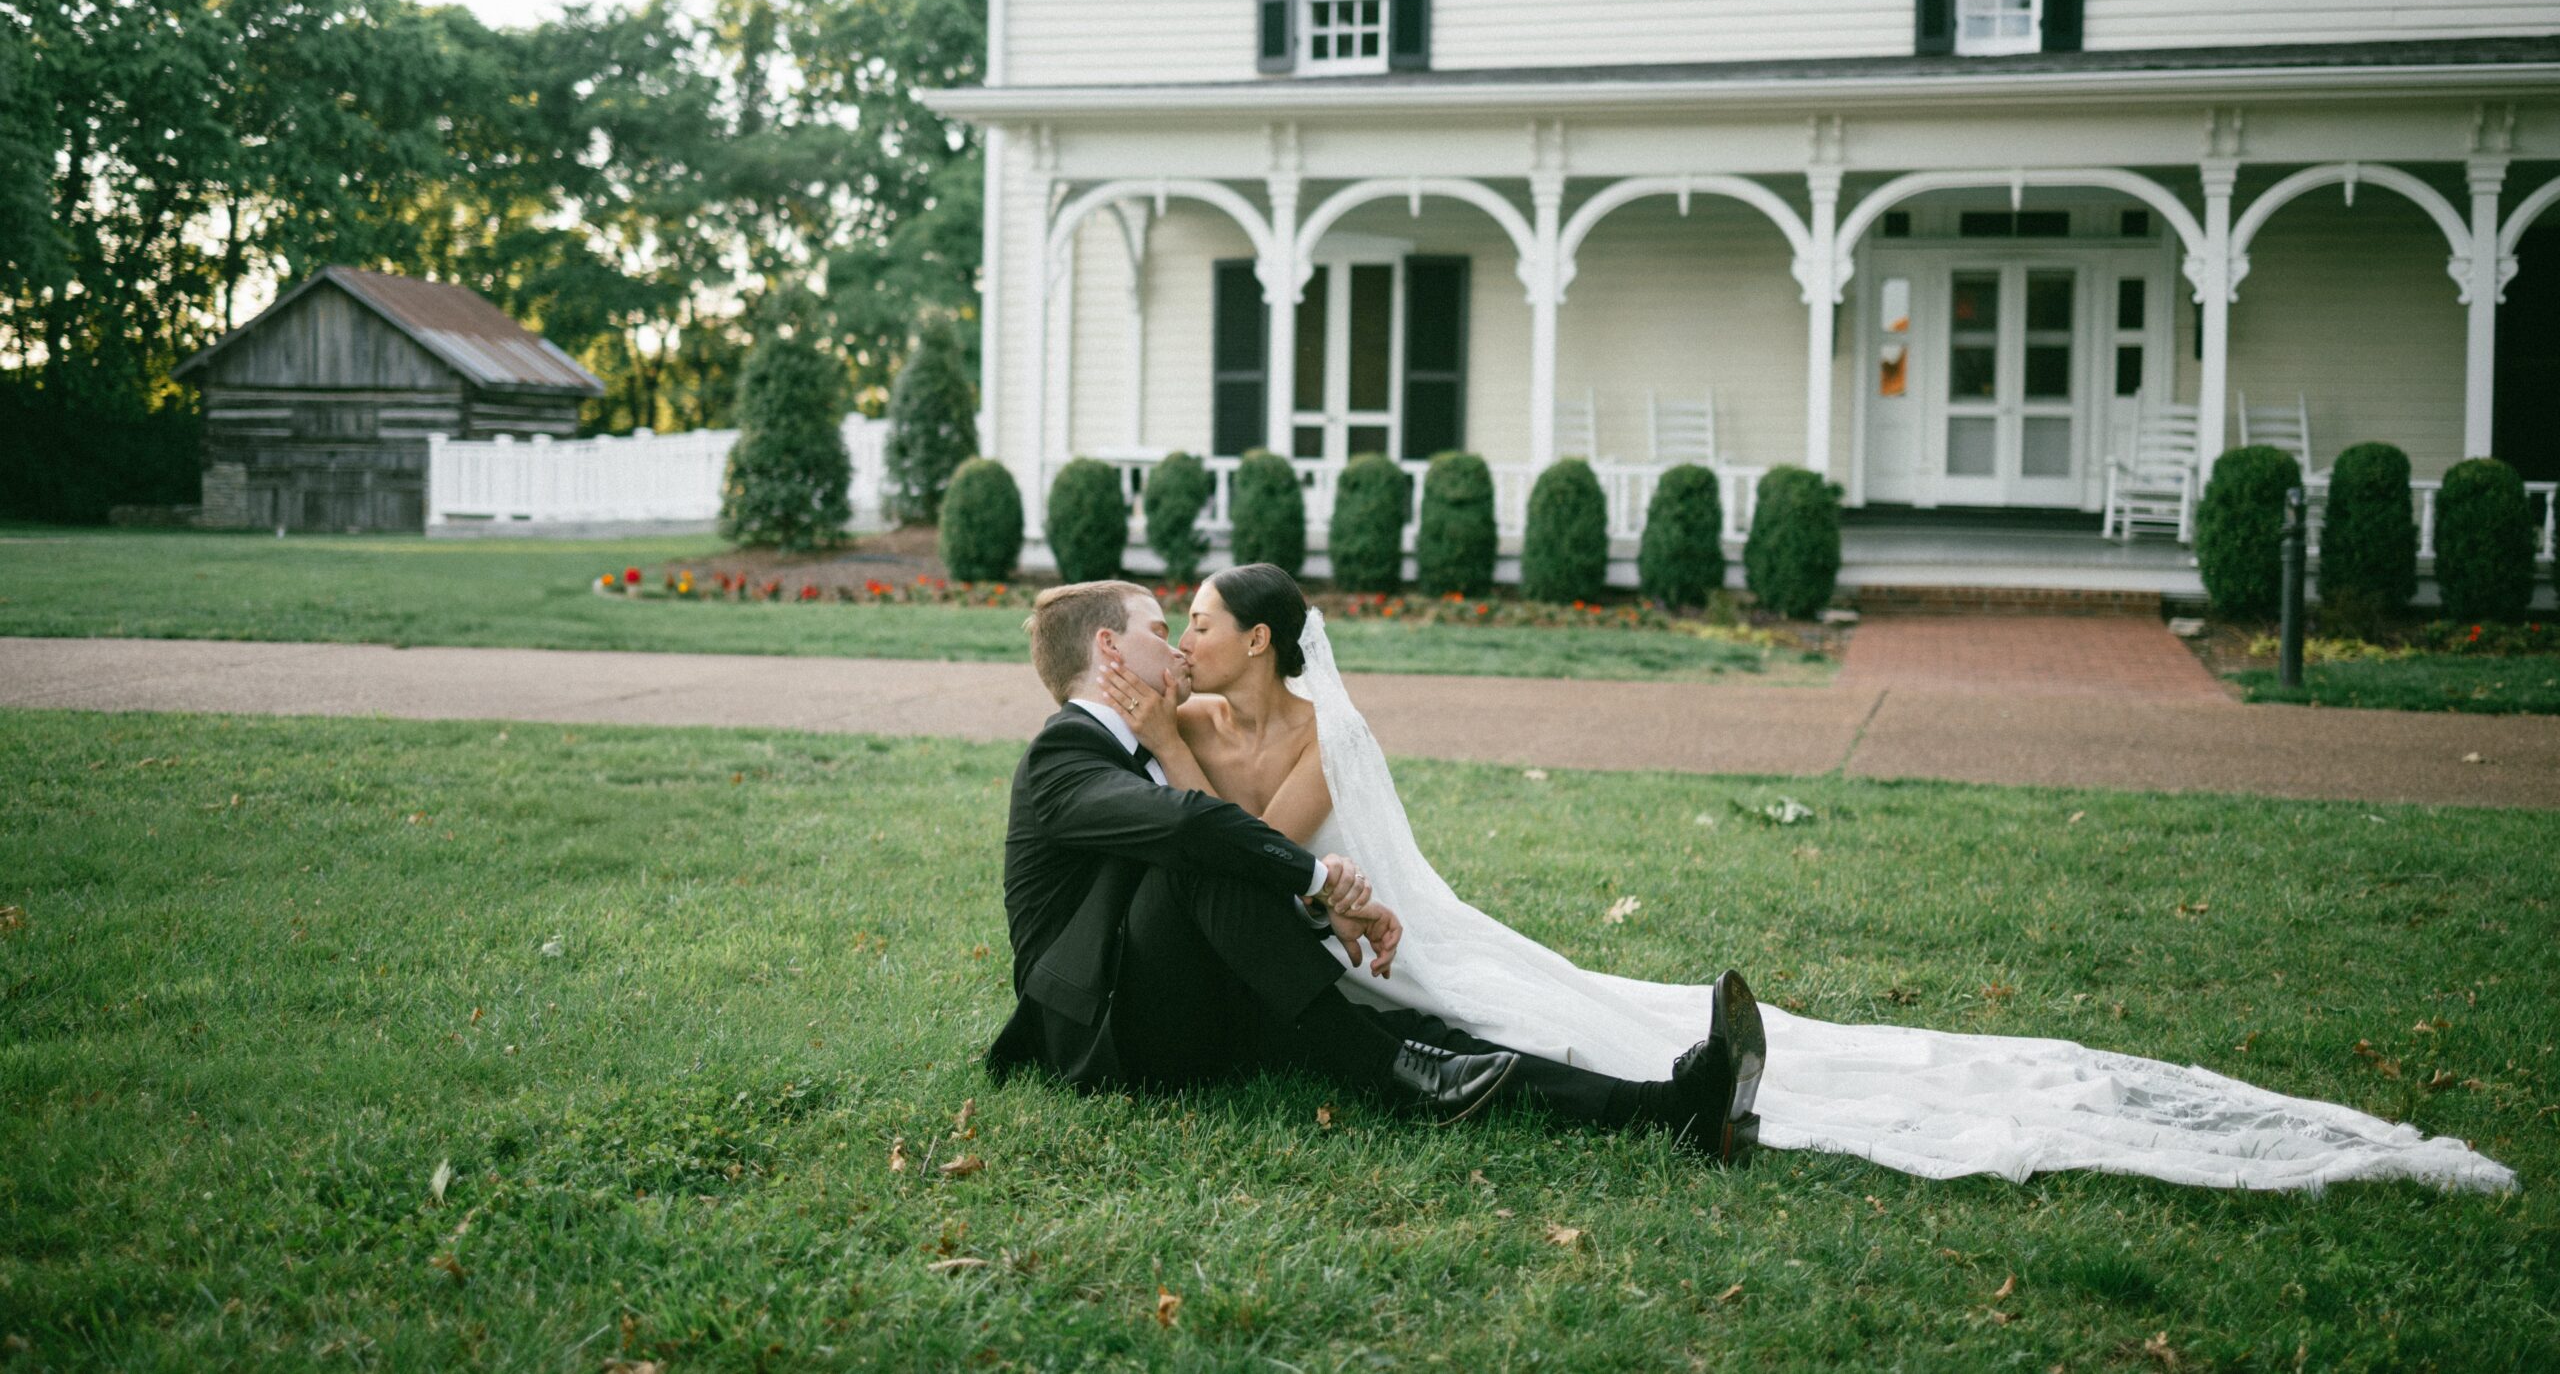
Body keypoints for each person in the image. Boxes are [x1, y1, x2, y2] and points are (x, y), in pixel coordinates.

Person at [1090, 564, 2515, 1195]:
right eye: (1188, 626)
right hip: (1309, 927)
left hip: (1369, 929)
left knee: (1527, 1004)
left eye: (1204, 623)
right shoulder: (1202, 714)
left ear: (1264, 644)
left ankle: (1675, 1084)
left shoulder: (1322, 728)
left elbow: (1270, 844)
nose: (1190, 639)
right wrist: (1157, 718)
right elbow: (1220, 826)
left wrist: (1170, 742)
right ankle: (1658, 1091)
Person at [986, 578, 1764, 1162]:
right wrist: (1318, 879)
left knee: (1418, 1033)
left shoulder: (1155, 739)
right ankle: (1388, 1066)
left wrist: (1327, 907)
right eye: (1161, 628)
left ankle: (1672, 1110)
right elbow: (1192, 827)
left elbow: (1219, 856)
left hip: (1187, 995)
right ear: (1109, 651)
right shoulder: (1063, 755)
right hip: (1100, 1032)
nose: (1178, 645)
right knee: (1204, 867)